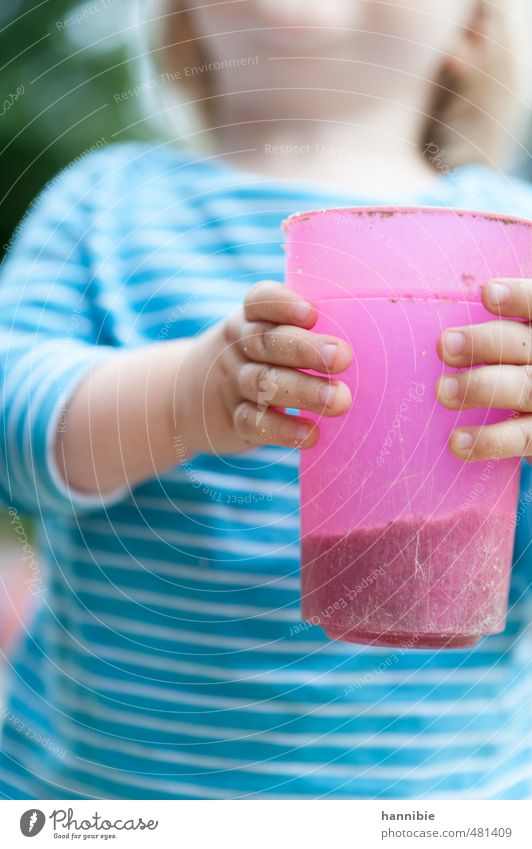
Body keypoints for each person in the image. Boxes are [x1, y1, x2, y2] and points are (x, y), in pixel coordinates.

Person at [0, 0, 532, 800]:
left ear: (472, 32)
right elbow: (12, 427)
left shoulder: (515, 243)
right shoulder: (101, 208)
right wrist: (179, 399)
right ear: (182, 16)